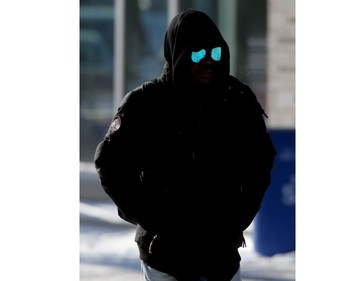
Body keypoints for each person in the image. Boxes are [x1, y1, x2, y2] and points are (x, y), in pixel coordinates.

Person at [94, 9, 276, 281]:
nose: (208, 62)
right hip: (166, 257)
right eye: (197, 54)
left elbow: (260, 161)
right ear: (178, 54)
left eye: (215, 53)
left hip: (222, 255)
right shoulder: (145, 104)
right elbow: (110, 165)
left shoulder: (237, 99)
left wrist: (238, 217)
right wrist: (152, 218)